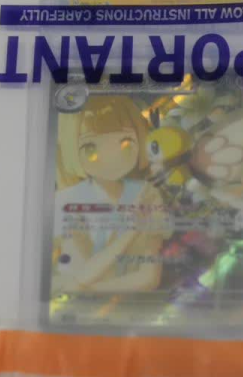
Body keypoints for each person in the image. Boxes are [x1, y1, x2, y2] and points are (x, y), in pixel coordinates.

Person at [54, 95, 170, 295]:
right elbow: (81, 273)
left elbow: (149, 277)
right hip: (75, 307)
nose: (111, 158)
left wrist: (87, 289)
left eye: (125, 143)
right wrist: (131, 232)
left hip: (134, 305)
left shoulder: (148, 194)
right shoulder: (68, 200)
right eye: (90, 148)